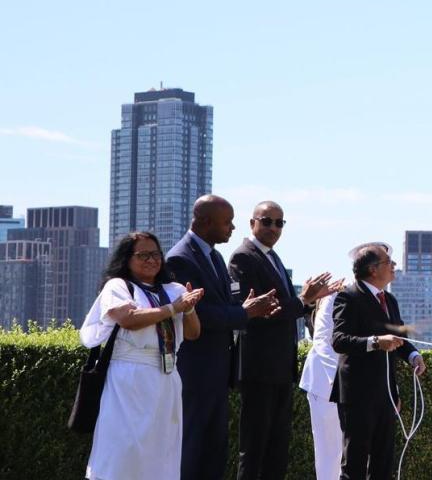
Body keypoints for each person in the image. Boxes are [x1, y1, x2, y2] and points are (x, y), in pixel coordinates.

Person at [170, 195, 281, 480]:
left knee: (214, 450)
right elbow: (199, 313)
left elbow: (228, 304)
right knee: (192, 447)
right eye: (227, 222)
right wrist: (245, 313)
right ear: (205, 221)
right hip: (196, 371)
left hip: (218, 371)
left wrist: (251, 309)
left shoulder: (215, 256)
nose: (232, 228)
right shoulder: (180, 258)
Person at [230, 200, 341, 480]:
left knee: (277, 449)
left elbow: (286, 306)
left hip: (280, 369)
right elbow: (258, 311)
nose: (273, 228)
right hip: (259, 368)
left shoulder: (272, 257)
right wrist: (305, 299)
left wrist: (309, 299)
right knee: (254, 448)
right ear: (252, 223)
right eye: (266, 221)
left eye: (279, 223)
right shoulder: (243, 257)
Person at [81, 231, 204, 480]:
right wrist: (173, 308)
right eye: (143, 255)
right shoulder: (118, 286)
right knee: (125, 448)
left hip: (165, 376)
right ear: (127, 259)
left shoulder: (174, 289)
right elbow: (128, 320)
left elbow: (193, 333)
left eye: (156, 254)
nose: (151, 260)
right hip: (128, 377)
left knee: (162, 448)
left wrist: (188, 309)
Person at [331, 243, 426, 480]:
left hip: (385, 396)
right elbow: (339, 340)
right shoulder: (349, 296)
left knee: (383, 464)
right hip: (357, 395)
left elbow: (400, 338)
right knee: (354, 463)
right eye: (389, 262)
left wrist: (413, 356)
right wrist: (375, 341)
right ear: (373, 269)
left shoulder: (390, 300)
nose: (394, 266)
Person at [300, 276, 352, 480]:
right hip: (327, 387)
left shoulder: (374, 301)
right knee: (330, 458)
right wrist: (344, 385)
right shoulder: (337, 296)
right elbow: (322, 341)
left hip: (352, 390)